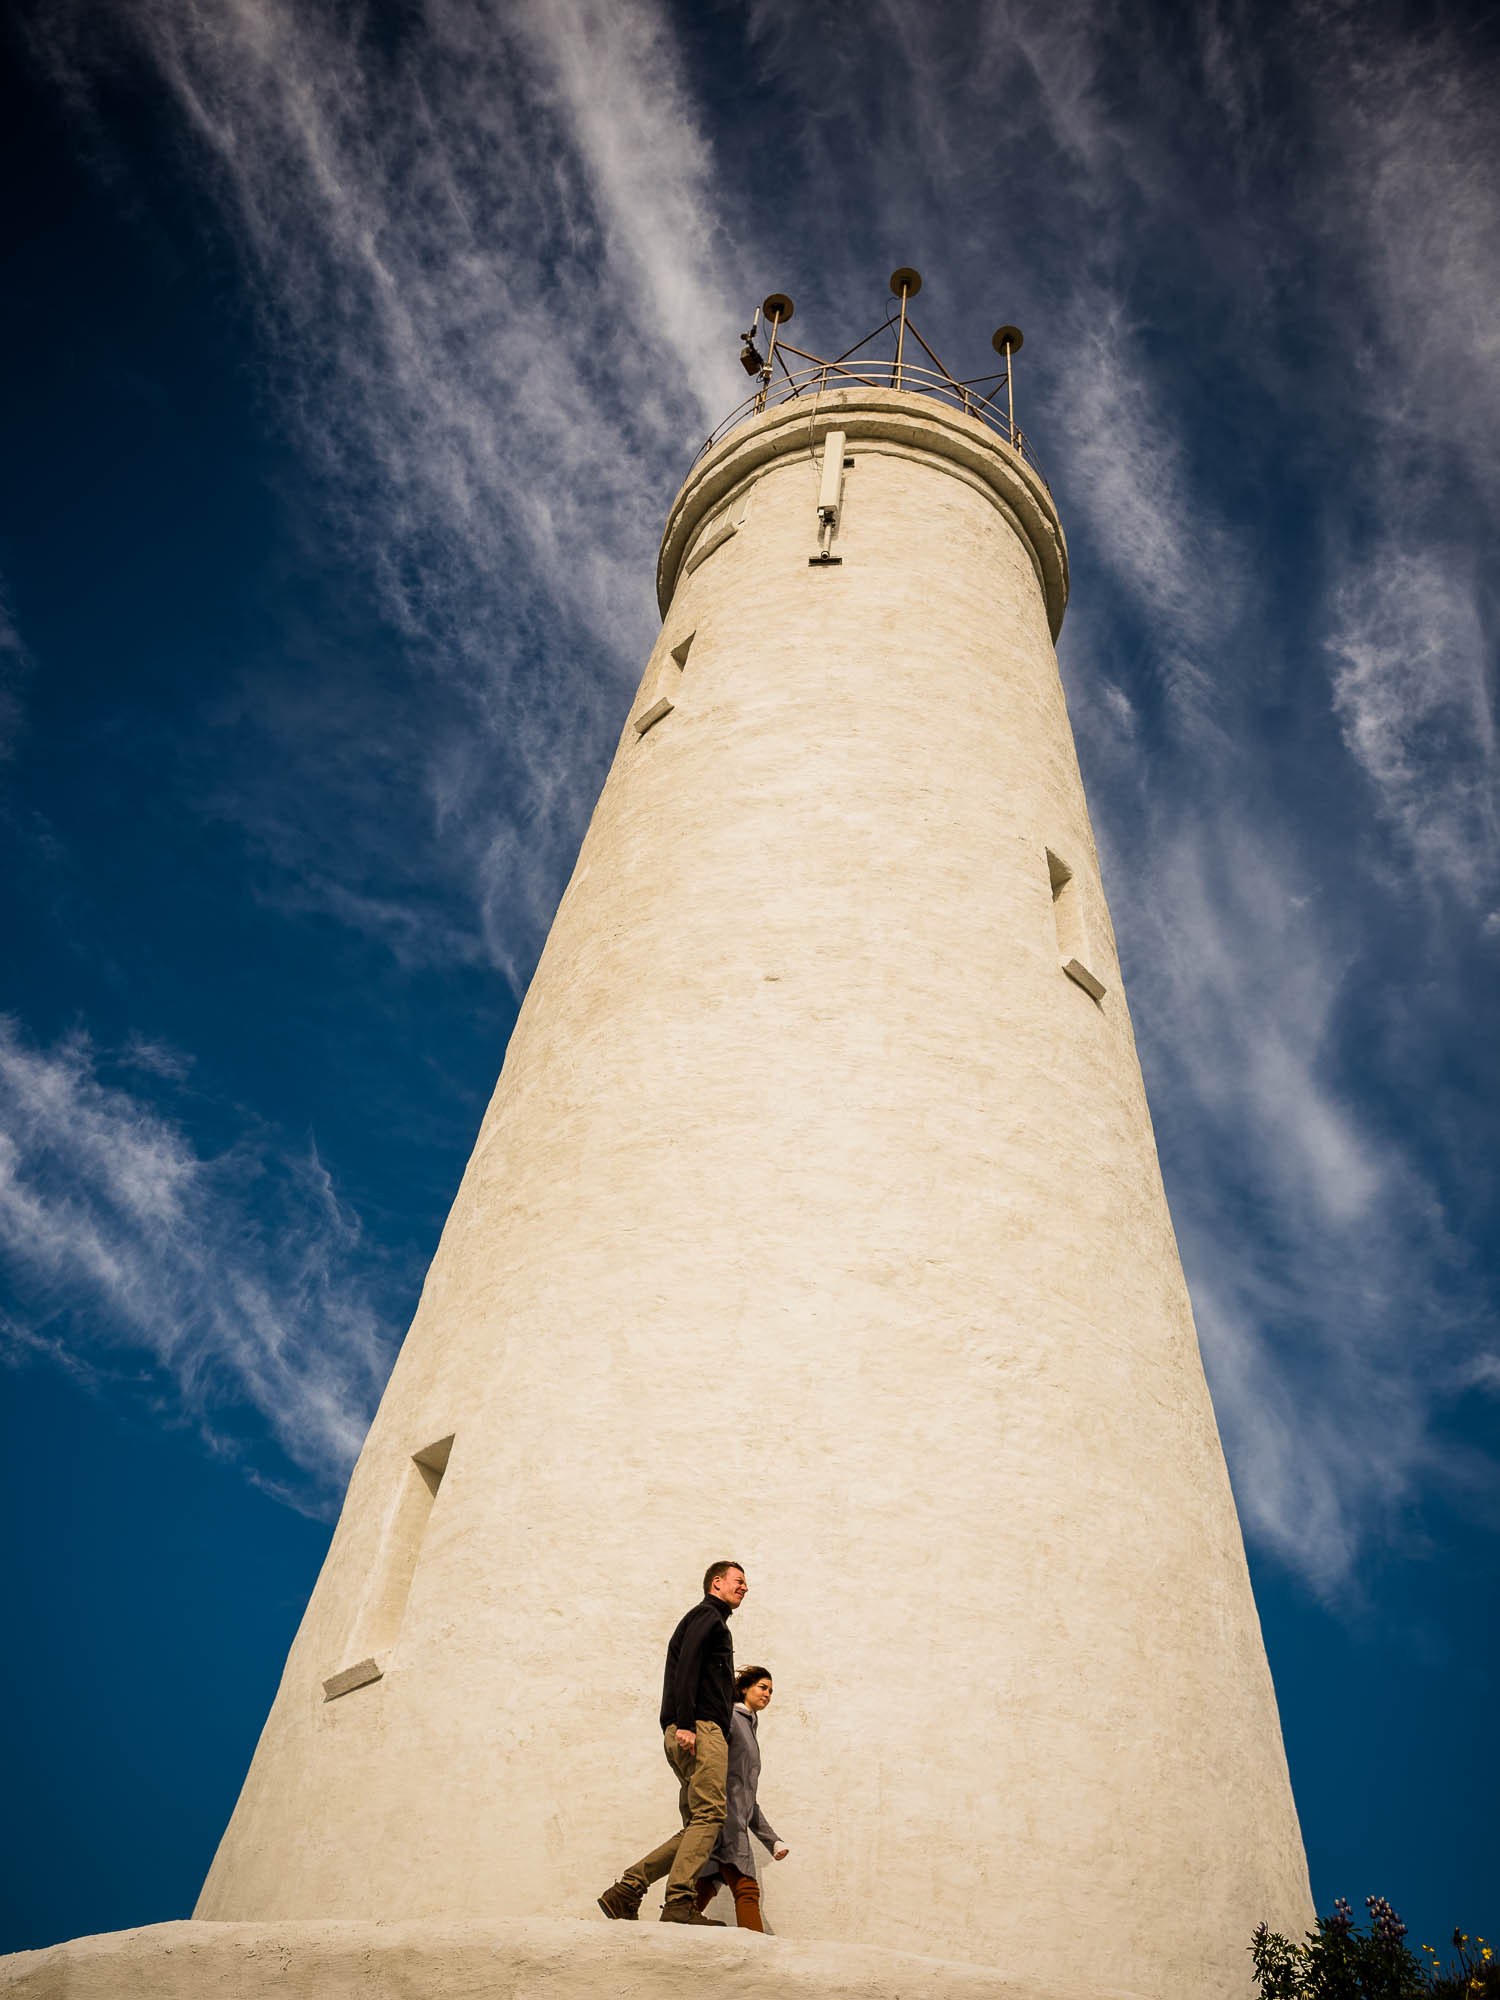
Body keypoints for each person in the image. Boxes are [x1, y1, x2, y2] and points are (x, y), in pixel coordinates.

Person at [598, 1560, 748, 1925]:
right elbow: (687, 1669)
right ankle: (680, 1902)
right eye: (739, 1581)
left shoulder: (710, 1621)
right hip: (698, 1729)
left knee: (698, 1824)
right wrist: (685, 1724)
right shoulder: (707, 1617)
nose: (745, 1588)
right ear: (717, 1583)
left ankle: (628, 1889)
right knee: (711, 1815)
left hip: (694, 1729)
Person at [693, 1665, 788, 1931]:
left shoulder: (748, 1726)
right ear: (744, 1688)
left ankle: (669, 1932)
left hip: (729, 1818)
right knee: (746, 1887)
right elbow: (714, 1771)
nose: (768, 1694)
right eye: (762, 1687)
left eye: (771, 1690)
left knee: (707, 1882)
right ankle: (758, 1951)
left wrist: (772, 1840)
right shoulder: (732, 1720)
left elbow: (747, 1796)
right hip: (726, 1819)